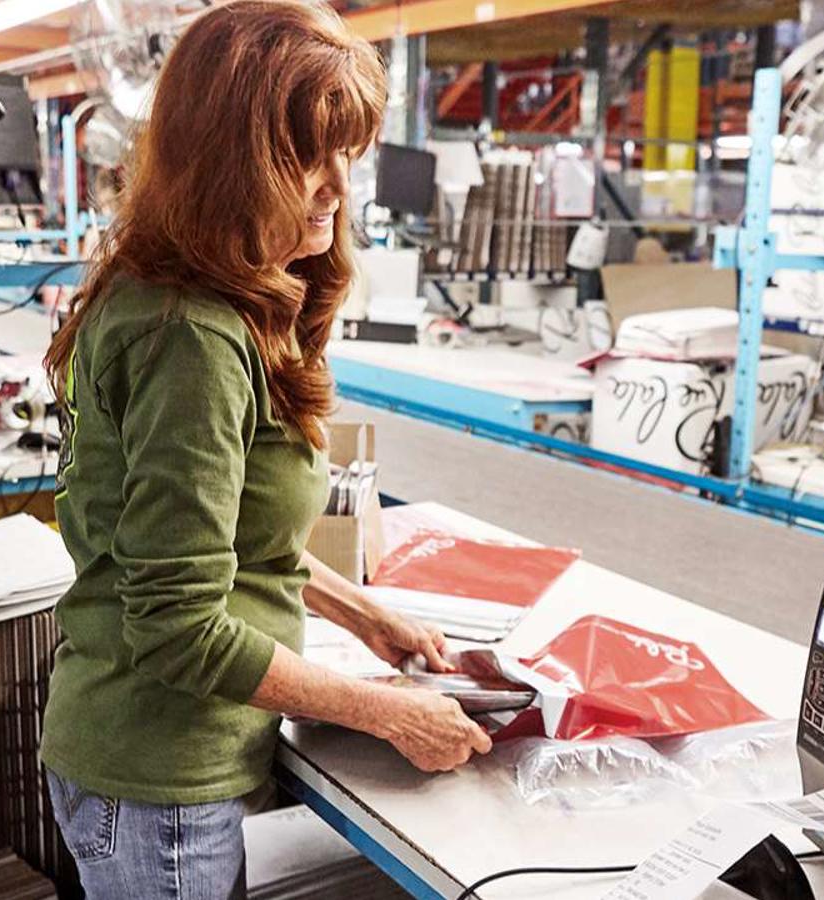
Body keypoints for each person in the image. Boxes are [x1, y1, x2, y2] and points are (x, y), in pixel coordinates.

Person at [38, 2, 492, 898]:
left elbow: (228, 545)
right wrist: (387, 713)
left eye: (347, 153)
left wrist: (365, 616)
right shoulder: (191, 337)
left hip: (155, 760)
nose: (336, 186)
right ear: (229, 161)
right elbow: (179, 627)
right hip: (160, 772)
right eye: (305, 156)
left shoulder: (186, 290)